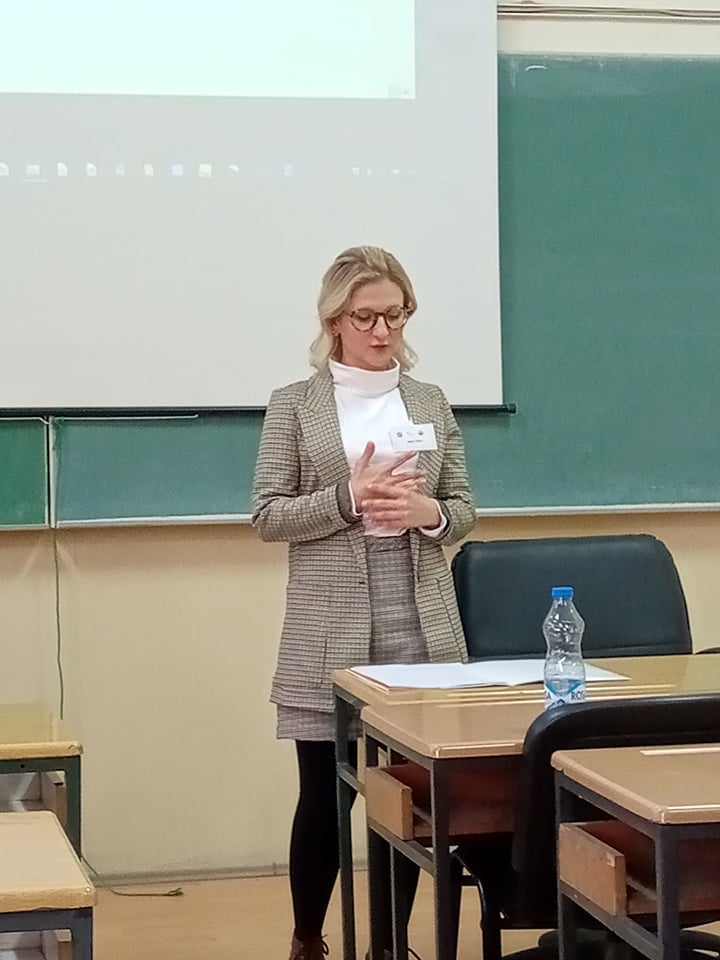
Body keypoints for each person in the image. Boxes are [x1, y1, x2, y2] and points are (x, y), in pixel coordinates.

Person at [252, 245, 475, 960]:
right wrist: (349, 498)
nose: (383, 331)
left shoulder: (429, 402)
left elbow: (464, 507)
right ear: (334, 321)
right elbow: (267, 515)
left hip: (420, 618)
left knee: (405, 799)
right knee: (326, 795)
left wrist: (429, 515)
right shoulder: (295, 404)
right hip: (328, 623)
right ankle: (307, 940)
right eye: (366, 317)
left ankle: (390, 946)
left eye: (395, 315)